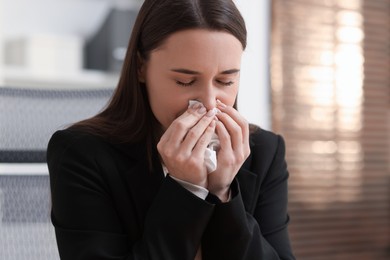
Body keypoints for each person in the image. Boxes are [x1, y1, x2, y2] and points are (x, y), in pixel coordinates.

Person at [47, 0, 295, 259]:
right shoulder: (81, 154)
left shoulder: (264, 152)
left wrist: (223, 192)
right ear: (141, 67)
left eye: (226, 81)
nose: (210, 103)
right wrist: (186, 189)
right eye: (185, 81)